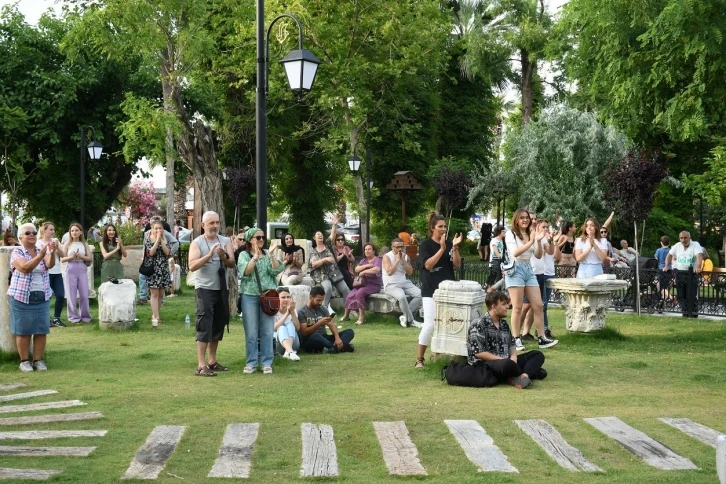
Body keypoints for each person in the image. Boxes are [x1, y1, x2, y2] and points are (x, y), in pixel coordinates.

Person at [466, 291, 547, 390]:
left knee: (538, 355)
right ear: (493, 307)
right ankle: (524, 373)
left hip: (507, 361)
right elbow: (479, 353)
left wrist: (513, 359)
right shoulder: (479, 324)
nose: (507, 307)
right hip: (486, 364)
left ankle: (524, 376)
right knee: (507, 365)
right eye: (504, 304)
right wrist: (505, 361)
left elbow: (512, 345)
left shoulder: (504, 324)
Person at [188, 211, 236, 377]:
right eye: (211, 223)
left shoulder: (225, 240)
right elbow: (192, 266)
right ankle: (201, 365)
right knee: (204, 324)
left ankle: (212, 361)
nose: (215, 226)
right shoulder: (197, 243)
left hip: (221, 289)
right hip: (205, 289)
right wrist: (209, 255)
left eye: (217, 222)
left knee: (218, 324)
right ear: (203, 225)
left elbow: (231, 263)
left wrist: (223, 256)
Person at [415, 212, 463, 368]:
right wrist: (442, 249)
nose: (443, 229)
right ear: (432, 228)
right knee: (429, 324)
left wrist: (454, 247)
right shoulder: (425, 245)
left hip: (448, 289)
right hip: (431, 290)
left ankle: (439, 354)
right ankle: (420, 359)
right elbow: (428, 265)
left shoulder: (449, 243)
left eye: (444, 226)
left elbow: (457, 264)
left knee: (448, 323)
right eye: (440, 226)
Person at [8, 223, 57, 372]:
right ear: (20, 237)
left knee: (41, 329)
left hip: (42, 294)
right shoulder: (17, 251)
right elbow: (24, 268)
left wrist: (52, 253)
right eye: (27, 233)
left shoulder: (40, 250)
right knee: (23, 330)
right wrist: (41, 256)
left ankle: (38, 360)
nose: (32, 235)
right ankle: (24, 361)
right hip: (21, 296)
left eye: (34, 233)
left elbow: (49, 264)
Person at [239, 227, 284, 374]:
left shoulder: (267, 254)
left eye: (263, 237)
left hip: (268, 296)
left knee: (266, 331)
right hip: (249, 296)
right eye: (258, 238)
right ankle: (251, 362)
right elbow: (245, 272)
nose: (261, 240)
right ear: (250, 240)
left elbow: (277, 270)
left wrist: (271, 255)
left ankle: (266, 363)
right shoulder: (244, 255)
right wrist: (255, 258)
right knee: (251, 332)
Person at [521, 219, 556, 341]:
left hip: (541, 273)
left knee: (537, 306)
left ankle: (529, 334)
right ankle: (514, 335)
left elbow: (550, 252)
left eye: (547, 227)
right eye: (543, 227)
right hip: (531, 273)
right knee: (525, 306)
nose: (545, 229)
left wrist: (550, 240)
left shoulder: (543, 238)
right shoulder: (528, 237)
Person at [297, 286, 355, 353]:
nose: (320, 303)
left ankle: (335, 347)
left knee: (350, 332)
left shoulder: (322, 309)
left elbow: (331, 324)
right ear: (310, 297)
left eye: (322, 300)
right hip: (311, 340)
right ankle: (340, 347)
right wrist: (319, 323)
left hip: (324, 338)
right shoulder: (302, 312)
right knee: (316, 336)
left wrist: (337, 338)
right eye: (318, 300)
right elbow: (304, 332)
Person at [382, 237, 422, 328]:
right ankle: (411, 321)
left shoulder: (406, 256)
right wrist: (396, 260)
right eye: (397, 247)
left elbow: (410, 272)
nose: (399, 249)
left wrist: (403, 260)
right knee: (402, 297)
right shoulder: (387, 257)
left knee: (419, 294)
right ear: (392, 247)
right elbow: (389, 272)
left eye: (401, 247)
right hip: (391, 284)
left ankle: (405, 317)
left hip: (404, 282)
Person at [138, 216, 179, 304]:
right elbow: (146, 247)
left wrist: (171, 253)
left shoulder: (165, 234)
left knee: (161, 284)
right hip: (149, 262)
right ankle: (143, 296)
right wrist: (144, 257)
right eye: (152, 224)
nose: (156, 228)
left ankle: (161, 300)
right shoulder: (147, 233)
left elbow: (175, 243)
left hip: (162, 264)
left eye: (157, 226)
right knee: (142, 277)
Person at [339, 243, 382, 325]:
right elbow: (357, 269)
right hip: (363, 283)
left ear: (374, 251)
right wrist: (367, 266)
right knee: (350, 294)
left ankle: (362, 317)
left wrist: (364, 271)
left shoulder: (377, 260)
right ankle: (346, 315)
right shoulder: (364, 260)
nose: (367, 251)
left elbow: (376, 270)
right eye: (365, 249)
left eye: (369, 249)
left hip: (374, 284)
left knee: (359, 293)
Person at [664, 231, 703, 318]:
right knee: (681, 295)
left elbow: (699, 256)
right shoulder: (677, 245)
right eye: (681, 238)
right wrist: (667, 266)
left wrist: (699, 267)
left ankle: (693, 313)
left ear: (689, 238)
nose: (683, 240)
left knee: (691, 294)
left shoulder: (695, 245)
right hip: (680, 273)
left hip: (692, 274)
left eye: (685, 238)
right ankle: (685, 312)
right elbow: (669, 255)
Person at [309, 230, 350, 310]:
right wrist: (325, 259)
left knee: (345, 289)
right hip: (322, 275)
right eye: (318, 234)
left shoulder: (328, 245)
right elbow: (314, 264)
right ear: (314, 238)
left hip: (334, 273)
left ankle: (348, 310)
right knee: (328, 288)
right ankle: (324, 309)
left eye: (321, 234)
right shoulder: (313, 252)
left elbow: (332, 235)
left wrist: (334, 224)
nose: (320, 235)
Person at [61, 222, 93, 324]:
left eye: (76, 230)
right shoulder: (67, 244)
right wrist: (72, 257)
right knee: (71, 294)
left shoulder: (84, 244)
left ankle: (85, 316)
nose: (74, 232)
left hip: (82, 269)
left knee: (84, 294)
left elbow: (89, 258)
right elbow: (63, 258)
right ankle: (73, 317)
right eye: (72, 231)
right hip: (71, 269)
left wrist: (80, 256)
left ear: (80, 232)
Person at [39, 222, 66, 327]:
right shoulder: (39, 243)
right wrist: (48, 250)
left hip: (57, 272)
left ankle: (56, 319)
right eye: (51, 229)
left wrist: (57, 247)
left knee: (60, 295)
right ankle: (46, 319)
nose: (53, 232)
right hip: (46, 273)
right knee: (46, 296)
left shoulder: (55, 241)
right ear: (44, 230)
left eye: (53, 230)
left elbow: (63, 255)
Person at [274, 287, 301, 361]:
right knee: (281, 327)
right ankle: (290, 352)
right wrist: (287, 314)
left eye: (288, 297)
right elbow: (274, 328)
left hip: (293, 344)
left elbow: (298, 327)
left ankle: (288, 352)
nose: (286, 299)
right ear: (277, 299)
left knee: (290, 324)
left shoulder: (293, 309)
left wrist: (292, 312)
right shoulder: (273, 310)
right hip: (278, 344)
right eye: (283, 297)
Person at [330, 220, 355, 289]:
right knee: (346, 274)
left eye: (342, 239)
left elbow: (352, 261)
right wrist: (342, 254)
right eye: (338, 240)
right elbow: (334, 261)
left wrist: (349, 255)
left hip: (347, 270)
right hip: (337, 270)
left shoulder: (346, 248)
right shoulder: (333, 249)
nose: (341, 241)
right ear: (335, 241)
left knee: (348, 274)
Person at [654, 235, 672, 300]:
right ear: (669, 243)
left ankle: (668, 297)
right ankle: (665, 297)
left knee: (661, 285)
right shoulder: (671, 250)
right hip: (670, 269)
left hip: (661, 269)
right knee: (668, 283)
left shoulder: (658, 250)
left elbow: (656, 259)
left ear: (661, 242)